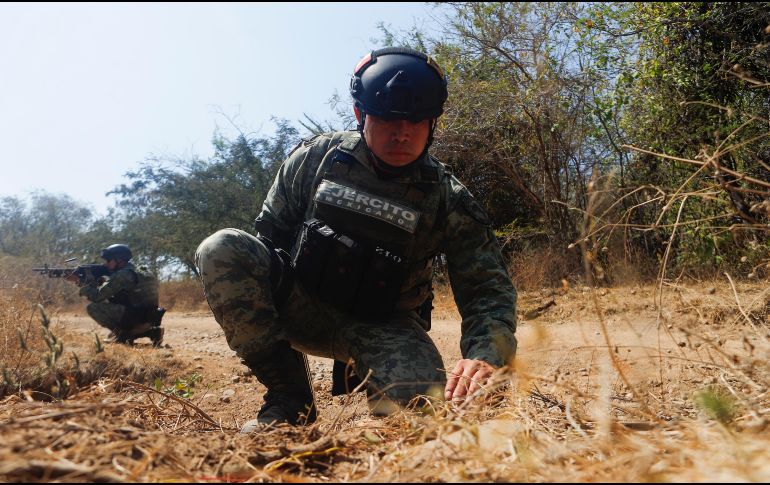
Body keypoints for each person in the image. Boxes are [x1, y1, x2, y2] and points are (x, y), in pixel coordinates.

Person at [195, 47, 517, 432]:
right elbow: (268, 242)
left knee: (420, 413)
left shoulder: (448, 198)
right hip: (302, 304)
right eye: (386, 120)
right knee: (222, 248)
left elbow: (487, 290)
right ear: (359, 114)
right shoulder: (316, 158)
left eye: (416, 121)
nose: (402, 133)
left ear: (434, 123)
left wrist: (486, 355)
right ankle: (288, 400)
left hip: (385, 326)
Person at [67, 244, 165, 347]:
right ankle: (152, 332)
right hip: (151, 317)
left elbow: (97, 297)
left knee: (93, 307)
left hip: (134, 317)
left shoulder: (123, 275)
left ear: (119, 260)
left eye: (109, 261)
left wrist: (79, 282)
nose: (105, 264)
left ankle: (123, 335)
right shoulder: (141, 270)